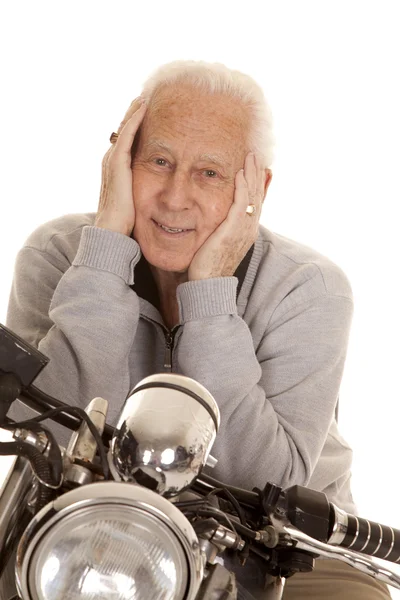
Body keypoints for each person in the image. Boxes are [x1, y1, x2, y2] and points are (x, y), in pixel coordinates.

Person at [6, 60, 391, 599]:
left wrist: (209, 290)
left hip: (285, 549)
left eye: (209, 172)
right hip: (101, 526)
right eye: (158, 161)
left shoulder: (311, 289)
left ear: (255, 188)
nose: (174, 196)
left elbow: (260, 478)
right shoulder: (60, 256)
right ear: (119, 162)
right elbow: (50, 440)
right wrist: (105, 255)